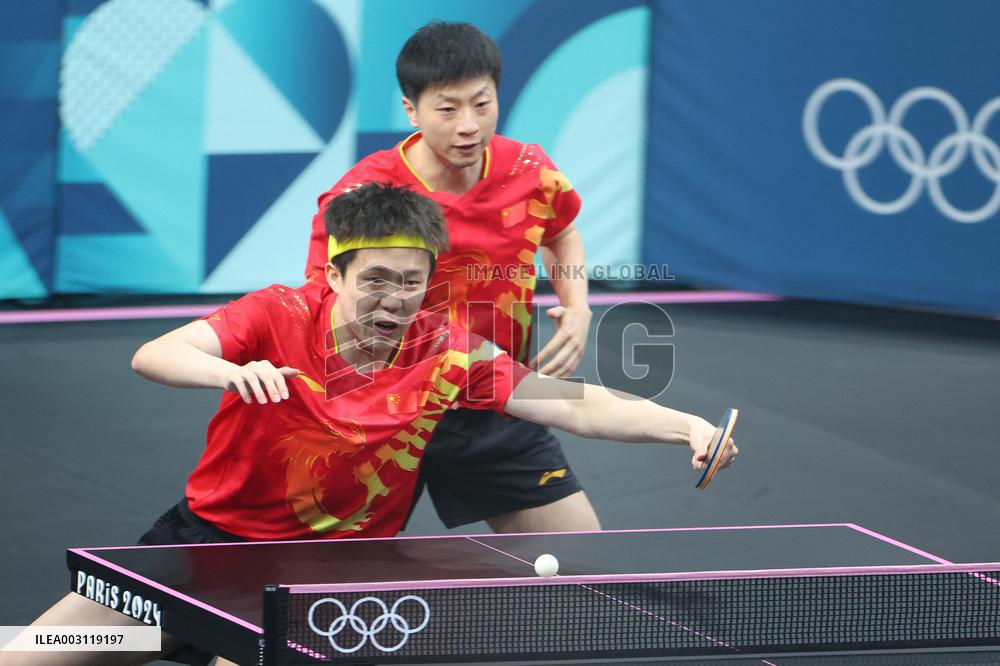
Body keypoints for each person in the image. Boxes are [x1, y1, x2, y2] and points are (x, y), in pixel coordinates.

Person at [1, 183, 736, 666]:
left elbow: (574, 402)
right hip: (203, 552)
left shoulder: (447, 351)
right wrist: (229, 371)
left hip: (324, 581)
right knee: (41, 655)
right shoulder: (276, 312)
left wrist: (685, 427)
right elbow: (153, 354)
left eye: (410, 282)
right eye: (375, 280)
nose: (393, 299)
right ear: (336, 275)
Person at [306, 22, 600, 534]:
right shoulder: (363, 198)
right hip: (380, 409)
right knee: (323, 577)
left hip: (492, 397)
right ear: (411, 111)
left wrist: (576, 304)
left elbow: (563, 231)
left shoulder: (530, 170)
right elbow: (322, 299)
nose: (469, 126)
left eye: (481, 104)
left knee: (582, 555)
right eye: (447, 109)